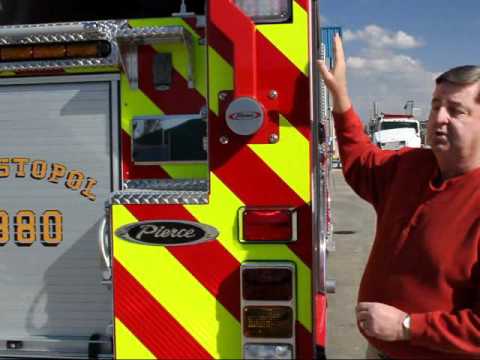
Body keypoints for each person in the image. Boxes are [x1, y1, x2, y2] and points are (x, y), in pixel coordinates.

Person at [318, 33, 480, 359]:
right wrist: (341, 99)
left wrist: (407, 326)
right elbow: (362, 161)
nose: (439, 118)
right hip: (380, 352)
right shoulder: (412, 167)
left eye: (456, 110)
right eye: (436, 106)